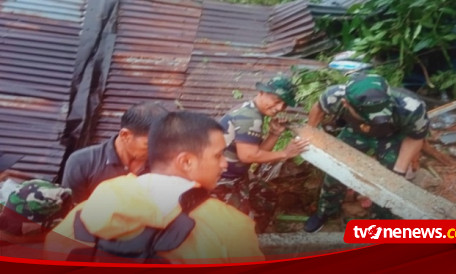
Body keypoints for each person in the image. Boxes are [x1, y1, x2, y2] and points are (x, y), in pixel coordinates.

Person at [44, 112, 264, 263]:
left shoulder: (85, 212)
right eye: (217, 156)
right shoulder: (229, 226)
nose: (225, 164)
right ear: (186, 161)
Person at [304, 73, 430, 232]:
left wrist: (399, 170)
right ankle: (326, 212)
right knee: (335, 171)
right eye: (368, 117)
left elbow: (415, 137)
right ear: (346, 104)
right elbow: (319, 108)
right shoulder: (334, 97)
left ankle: (382, 222)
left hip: (392, 136)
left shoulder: (411, 107)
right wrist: (311, 134)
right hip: (355, 133)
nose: (372, 121)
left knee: (391, 183)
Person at [212, 75, 309, 232]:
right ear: (261, 92)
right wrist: (285, 153)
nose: (279, 108)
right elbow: (248, 156)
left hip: (237, 174)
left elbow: (256, 154)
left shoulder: (253, 111)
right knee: (240, 224)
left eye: (284, 105)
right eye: (276, 101)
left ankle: (258, 232)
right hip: (221, 180)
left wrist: (274, 134)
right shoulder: (250, 117)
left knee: (267, 196)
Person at [61, 101, 168, 203]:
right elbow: (72, 213)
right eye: (149, 144)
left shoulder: (164, 165)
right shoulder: (83, 162)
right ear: (125, 135)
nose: (158, 149)